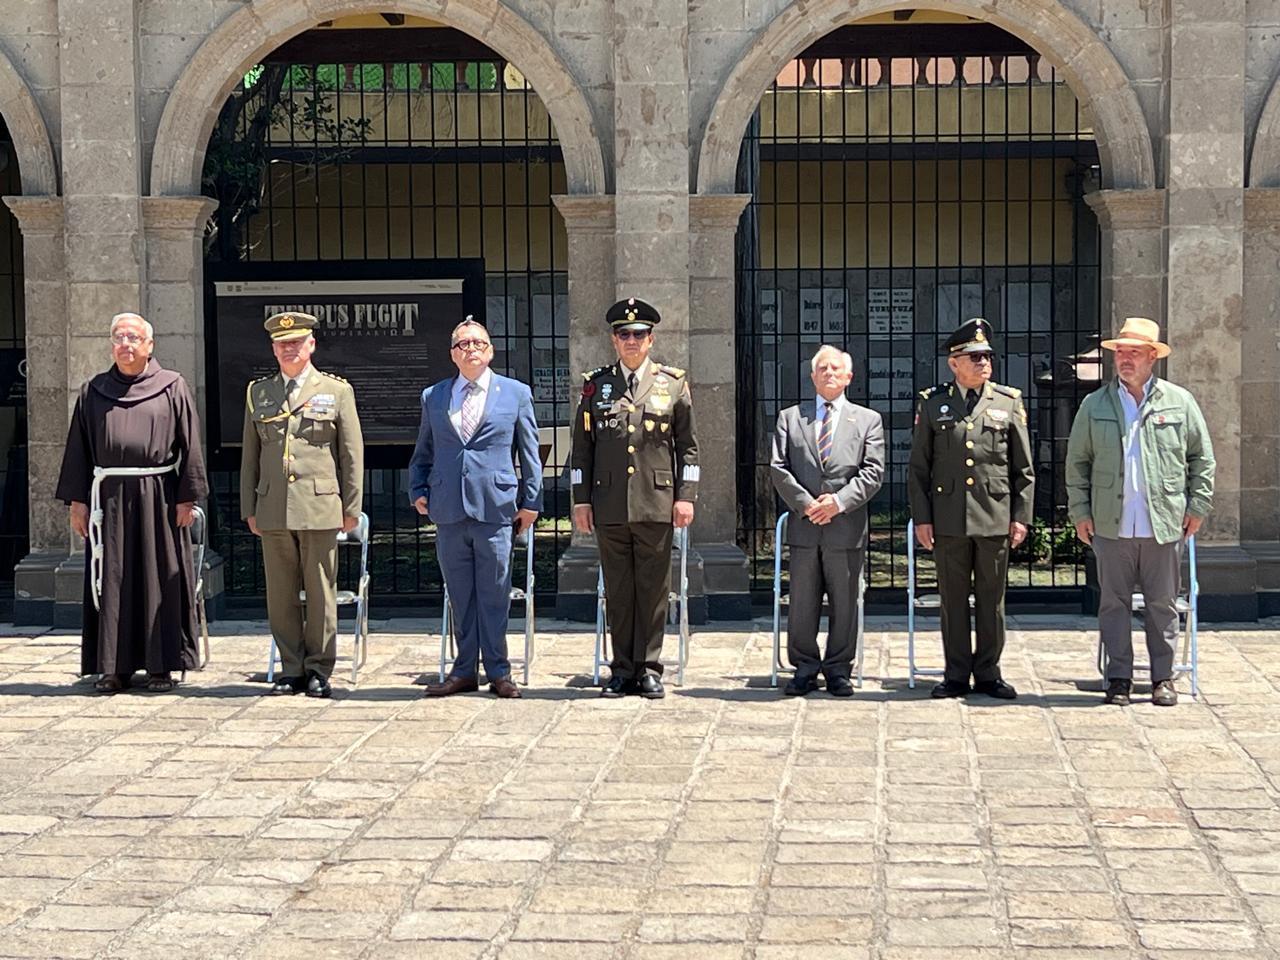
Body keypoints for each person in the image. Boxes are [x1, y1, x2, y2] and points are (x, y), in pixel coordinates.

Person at [1065, 317, 1214, 707]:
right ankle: (1118, 678)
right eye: (1120, 353)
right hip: (1111, 523)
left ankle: (1163, 678)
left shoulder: (1178, 402)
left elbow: (1202, 458)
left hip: (1162, 523)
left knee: (1162, 604)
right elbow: (1077, 463)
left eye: (1134, 353)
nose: (1125, 360)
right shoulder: (1094, 404)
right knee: (1112, 603)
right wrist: (1080, 511)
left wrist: (1197, 505)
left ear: (1153, 357)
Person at [56, 312, 208, 694]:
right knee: (112, 579)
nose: (125, 344)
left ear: (149, 345)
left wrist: (186, 497)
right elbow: (79, 449)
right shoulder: (93, 390)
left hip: (159, 495)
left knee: (159, 580)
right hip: (108, 498)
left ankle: (161, 666)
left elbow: (190, 444)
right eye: (119, 337)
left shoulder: (172, 386)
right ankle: (113, 667)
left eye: (133, 337)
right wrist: (78, 501)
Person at [571, 297, 698, 699]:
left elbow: (688, 447)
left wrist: (686, 495)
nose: (631, 341)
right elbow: (583, 448)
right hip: (609, 503)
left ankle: (650, 668)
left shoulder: (672, 383)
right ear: (613, 340)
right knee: (620, 590)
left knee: (653, 590)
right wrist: (580, 500)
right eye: (624, 334)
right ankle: (622, 669)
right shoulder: (597, 385)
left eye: (639, 335)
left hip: (656, 501)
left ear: (651, 339)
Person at [409, 318, 542, 699]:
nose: (471, 349)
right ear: (452, 353)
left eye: (478, 343)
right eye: (462, 344)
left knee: (495, 593)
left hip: (496, 508)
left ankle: (499, 670)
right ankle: (464, 670)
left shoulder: (514, 393)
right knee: (460, 593)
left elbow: (529, 451)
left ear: (490, 351)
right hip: (448, 507)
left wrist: (532, 501)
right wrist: (417, 488)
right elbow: (424, 450)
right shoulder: (434, 395)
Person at [908, 317, 1034, 700]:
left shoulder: (1008, 402)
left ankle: (990, 673)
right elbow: (919, 468)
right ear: (954, 363)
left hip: (994, 515)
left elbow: (1023, 468)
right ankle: (957, 673)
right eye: (974, 357)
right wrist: (923, 517)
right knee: (953, 600)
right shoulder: (933, 403)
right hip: (948, 518)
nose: (983, 363)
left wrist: (1020, 516)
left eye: (987, 356)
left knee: (992, 601)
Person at [240, 311, 363, 699]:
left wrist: (351, 506)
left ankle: (319, 669)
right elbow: (251, 456)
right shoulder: (259, 393)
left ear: (311, 345)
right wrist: (250, 506)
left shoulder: (335, 391)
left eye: (296, 342)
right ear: (273, 349)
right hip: (274, 506)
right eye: (281, 343)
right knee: (281, 593)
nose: (288, 349)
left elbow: (351, 453)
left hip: (320, 506)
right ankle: (291, 668)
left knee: (320, 590)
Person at [770, 345, 885, 697]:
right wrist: (806, 505)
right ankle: (804, 667)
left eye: (836, 368)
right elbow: (778, 467)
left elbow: (873, 471)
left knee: (845, 601)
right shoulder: (790, 418)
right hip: (805, 527)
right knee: (802, 603)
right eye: (823, 368)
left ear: (849, 376)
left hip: (844, 527)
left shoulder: (867, 420)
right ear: (812, 376)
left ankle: (838, 668)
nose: (830, 373)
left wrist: (837, 503)